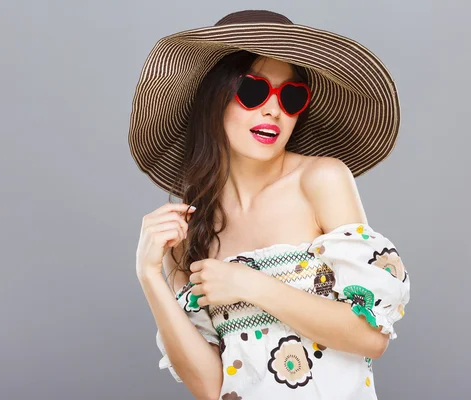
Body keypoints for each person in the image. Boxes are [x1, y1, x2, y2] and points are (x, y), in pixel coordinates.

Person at [129, 9, 411, 400]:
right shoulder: (188, 231)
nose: (273, 109)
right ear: (215, 98)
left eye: (291, 96)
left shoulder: (321, 180)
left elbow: (369, 336)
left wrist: (249, 284)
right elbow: (211, 388)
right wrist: (149, 275)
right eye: (253, 91)